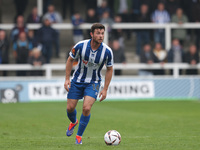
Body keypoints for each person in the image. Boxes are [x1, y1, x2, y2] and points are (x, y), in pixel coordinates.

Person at [64, 23, 113, 144]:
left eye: (102, 33)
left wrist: (105, 89)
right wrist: (67, 79)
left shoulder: (107, 51)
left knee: (86, 108)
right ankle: (74, 121)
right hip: (77, 80)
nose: (101, 36)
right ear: (92, 34)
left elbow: (110, 69)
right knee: (70, 108)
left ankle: (79, 137)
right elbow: (70, 59)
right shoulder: (81, 46)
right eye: (98, 33)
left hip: (94, 82)